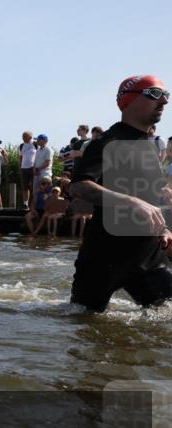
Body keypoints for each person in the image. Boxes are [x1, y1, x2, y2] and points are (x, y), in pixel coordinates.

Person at [69, 74, 172, 312]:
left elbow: (151, 197)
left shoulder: (150, 146)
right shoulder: (107, 142)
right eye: (155, 94)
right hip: (104, 258)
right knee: (83, 323)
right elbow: (79, 186)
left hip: (148, 258)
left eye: (166, 95)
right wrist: (131, 202)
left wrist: (165, 229)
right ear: (128, 100)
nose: (164, 101)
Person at [19, 131, 37, 209]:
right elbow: (21, 156)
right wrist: (20, 166)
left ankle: (34, 204)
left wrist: (36, 167)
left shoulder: (36, 144)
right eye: (23, 137)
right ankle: (25, 203)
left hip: (33, 168)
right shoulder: (21, 145)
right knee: (24, 187)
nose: (23, 138)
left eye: (25, 137)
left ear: (30, 137)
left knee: (34, 187)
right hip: (24, 168)